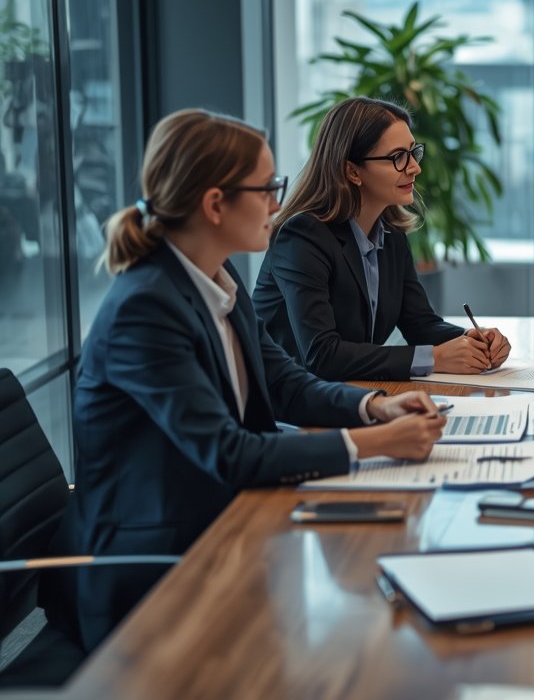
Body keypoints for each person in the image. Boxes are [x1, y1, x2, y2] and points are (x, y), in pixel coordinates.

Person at [51, 109, 446, 651]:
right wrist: (372, 444)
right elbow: (228, 453)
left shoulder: (217, 274)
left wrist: (374, 407)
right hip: (155, 571)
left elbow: (286, 381)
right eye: (266, 188)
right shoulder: (145, 308)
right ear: (215, 204)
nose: (278, 204)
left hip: (223, 528)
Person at [253, 97, 509, 381]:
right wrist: (434, 359)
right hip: (289, 409)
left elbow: (419, 323)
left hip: (349, 393)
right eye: (398, 157)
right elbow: (322, 355)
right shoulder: (302, 237)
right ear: (352, 171)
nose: (415, 167)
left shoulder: (391, 234)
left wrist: (473, 340)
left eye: (414, 153)